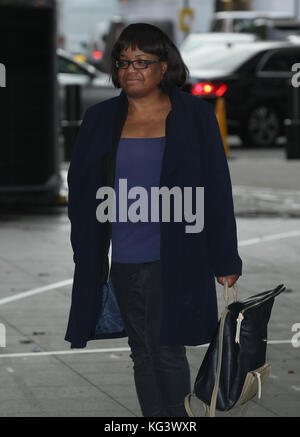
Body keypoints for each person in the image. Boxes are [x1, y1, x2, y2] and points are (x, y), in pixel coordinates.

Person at [64, 23, 242, 418]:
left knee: (166, 349)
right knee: (141, 352)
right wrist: (88, 254)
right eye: (124, 62)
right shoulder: (100, 118)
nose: (131, 70)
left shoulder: (194, 115)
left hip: (177, 255)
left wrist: (226, 260)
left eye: (143, 62)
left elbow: (216, 189)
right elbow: (82, 191)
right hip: (125, 257)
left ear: (164, 67)